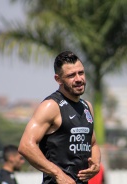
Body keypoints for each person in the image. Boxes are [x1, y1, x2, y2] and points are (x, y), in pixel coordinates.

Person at [18, 51, 101, 184]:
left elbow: (93, 144)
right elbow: (26, 146)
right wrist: (58, 174)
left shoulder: (87, 106)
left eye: (81, 73)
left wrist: (96, 163)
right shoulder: (51, 106)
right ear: (58, 79)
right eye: (71, 75)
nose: (79, 79)